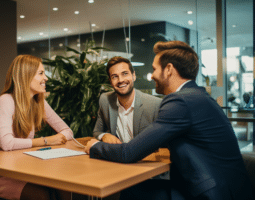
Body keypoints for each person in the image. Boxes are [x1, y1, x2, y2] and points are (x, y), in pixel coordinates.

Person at [85, 41, 254, 200]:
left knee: (132, 192)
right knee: (134, 190)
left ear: (169, 70)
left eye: (154, 69)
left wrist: (94, 146)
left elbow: (128, 153)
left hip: (214, 192)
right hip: (224, 185)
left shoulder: (180, 102)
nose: (151, 76)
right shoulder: (196, 94)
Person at [0, 55, 74, 200]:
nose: (46, 78)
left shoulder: (39, 102)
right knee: (42, 195)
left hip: (20, 170)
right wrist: (47, 141)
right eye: (41, 73)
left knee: (64, 186)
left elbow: (67, 131)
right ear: (25, 76)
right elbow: (7, 144)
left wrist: (60, 138)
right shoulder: (5, 102)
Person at [93, 56, 162, 144]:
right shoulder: (105, 100)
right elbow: (96, 132)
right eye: (114, 76)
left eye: (125, 73)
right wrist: (104, 135)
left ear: (133, 76)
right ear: (110, 81)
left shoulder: (155, 104)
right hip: (116, 156)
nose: (120, 80)